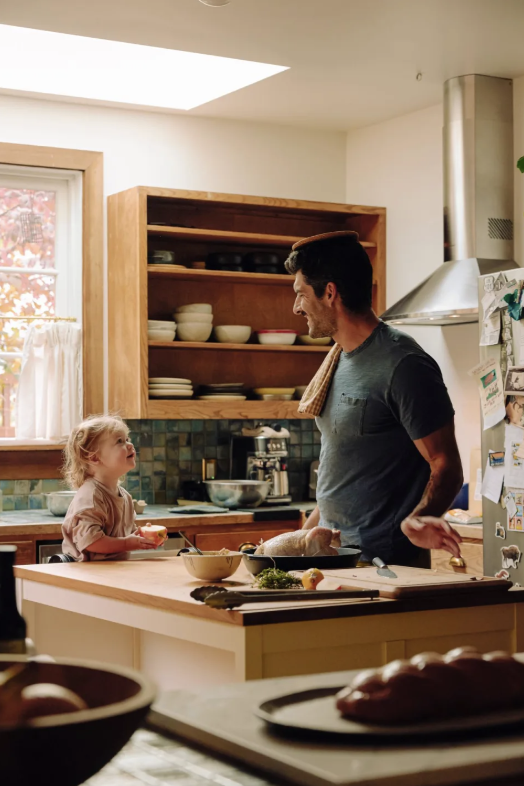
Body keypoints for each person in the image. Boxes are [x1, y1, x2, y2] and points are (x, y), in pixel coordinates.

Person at [285, 231, 464, 566]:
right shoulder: (337, 360)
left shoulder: (403, 364)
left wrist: (421, 517)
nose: (296, 307)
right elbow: (346, 474)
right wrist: (297, 547)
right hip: (333, 559)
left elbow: (446, 464)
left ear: (329, 293)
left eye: (300, 294)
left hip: (385, 566)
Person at [61, 414, 161, 561]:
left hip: (111, 572)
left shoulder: (124, 496)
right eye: (119, 441)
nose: (129, 444)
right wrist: (128, 543)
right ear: (94, 457)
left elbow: (123, 535)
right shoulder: (91, 497)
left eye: (127, 439)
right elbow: (91, 541)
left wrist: (140, 536)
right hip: (87, 575)